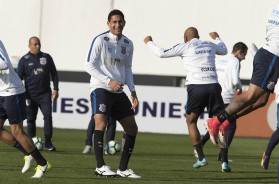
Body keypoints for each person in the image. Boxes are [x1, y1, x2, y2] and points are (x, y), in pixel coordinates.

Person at [144, 27, 232, 172]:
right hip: (213, 86)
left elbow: (161, 53)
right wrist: (217, 38)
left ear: (185, 37)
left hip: (196, 88)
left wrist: (149, 42)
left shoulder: (184, 46)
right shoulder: (209, 44)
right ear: (198, 35)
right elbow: (223, 50)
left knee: (191, 121)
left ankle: (201, 158)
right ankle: (224, 162)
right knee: (220, 122)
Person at [206, 1, 279, 147]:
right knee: (250, 96)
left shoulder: (274, 9)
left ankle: (227, 119)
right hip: (271, 57)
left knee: (262, 100)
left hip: (267, 55)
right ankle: (216, 121)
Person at [85, 9, 141, 178]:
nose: (117, 24)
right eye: (114, 22)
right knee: (100, 123)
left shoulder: (128, 43)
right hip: (101, 88)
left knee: (132, 127)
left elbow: (128, 68)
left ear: (124, 23)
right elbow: (89, 65)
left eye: (120, 21)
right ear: (108, 23)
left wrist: (133, 91)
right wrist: (108, 81)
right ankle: (100, 166)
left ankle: (123, 169)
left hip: (119, 91)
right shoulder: (100, 40)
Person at [0, 40, 51, 178]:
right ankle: (28, 153)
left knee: (16, 131)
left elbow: (4, 64)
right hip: (1, 92)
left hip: (12, 91)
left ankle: (42, 163)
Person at [201, 42, 248, 160]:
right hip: (226, 96)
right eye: (244, 54)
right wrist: (239, 87)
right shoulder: (235, 61)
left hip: (214, 94)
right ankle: (222, 156)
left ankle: (200, 144)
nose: (244, 58)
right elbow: (235, 79)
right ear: (239, 52)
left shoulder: (220, 59)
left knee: (216, 123)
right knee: (230, 126)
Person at [17, 36, 59, 151]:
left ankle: (48, 142)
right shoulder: (24, 60)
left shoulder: (46, 57)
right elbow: (18, 79)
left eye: (39, 44)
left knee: (48, 116)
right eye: (35, 44)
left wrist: (56, 89)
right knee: (31, 119)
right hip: (30, 95)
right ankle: (31, 141)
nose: (38, 46)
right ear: (29, 45)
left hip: (45, 94)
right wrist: (21, 94)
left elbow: (54, 74)